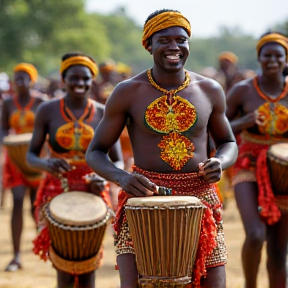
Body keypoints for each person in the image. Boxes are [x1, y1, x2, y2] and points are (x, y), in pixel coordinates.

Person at [86, 9, 238, 288]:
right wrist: (123, 178)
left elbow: (228, 142)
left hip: (201, 198)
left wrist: (221, 163)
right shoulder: (127, 92)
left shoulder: (210, 90)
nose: (174, 47)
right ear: (149, 45)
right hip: (144, 199)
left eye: (181, 40)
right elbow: (95, 151)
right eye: (164, 40)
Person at [26, 52, 123, 288]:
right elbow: (31, 155)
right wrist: (46, 164)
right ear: (63, 80)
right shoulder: (47, 111)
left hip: (93, 189)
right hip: (56, 189)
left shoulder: (103, 112)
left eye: (85, 79)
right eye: (74, 78)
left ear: (92, 81)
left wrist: (103, 176)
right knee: (63, 266)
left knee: (90, 265)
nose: (80, 84)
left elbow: (118, 160)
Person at [226, 32, 288, 288]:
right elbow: (217, 130)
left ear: (286, 60)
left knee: (278, 250)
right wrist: (244, 122)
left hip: (284, 172)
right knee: (255, 235)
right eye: (267, 55)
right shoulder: (242, 91)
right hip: (248, 166)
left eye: (278, 56)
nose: (272, 60)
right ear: (259, 58)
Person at [0, 63, 46, 271]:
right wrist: (8, 141)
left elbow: (49, 128)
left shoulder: (41, 102)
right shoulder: (8, 103)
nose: (19, 82)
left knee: (34, 204)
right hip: (15, 160)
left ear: (31, 81)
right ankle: (16, 256)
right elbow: (2, 129)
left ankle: (42, 239)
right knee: (17, 200)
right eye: (16, 79)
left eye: (23, 78)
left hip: (35, 158)